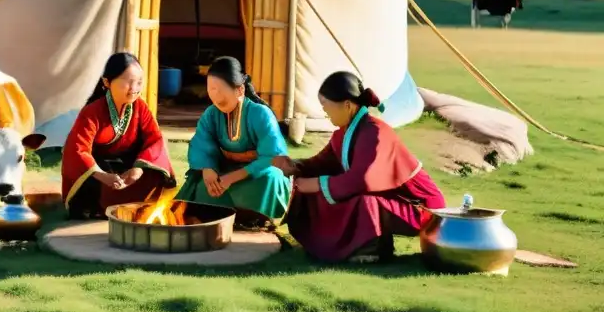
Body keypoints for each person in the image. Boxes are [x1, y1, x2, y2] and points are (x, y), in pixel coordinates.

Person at [273, 70, 447, 263]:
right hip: (388, 201)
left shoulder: (376, 132)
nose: (324, 111)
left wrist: (316, 184)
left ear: (347, 105)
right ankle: (333, 244)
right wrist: (295, 166)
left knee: (362, 202)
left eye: (325, 105)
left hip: (421, 209)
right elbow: (321, 164)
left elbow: (362, 180)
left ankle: (374, 249)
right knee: (316, 191)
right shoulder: (343, 134)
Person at [175, 57, 292, 228]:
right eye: (210, 88)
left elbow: (272, 155)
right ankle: (213, 216)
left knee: (270, 178)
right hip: (225, 170)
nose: (215, 95)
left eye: (220, 89)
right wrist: (208, 169)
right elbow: (201, 143)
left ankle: (254, 218)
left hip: (256, 172)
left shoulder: (260, 114)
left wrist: (234, 177)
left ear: (240, 90)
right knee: (201, 184)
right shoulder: (211, 114)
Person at [61, 52, 177, 219]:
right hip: (99, 171)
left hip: (128, 167)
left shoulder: (140, 107)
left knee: (155, 168)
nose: (135, 89)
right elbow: (78, 150)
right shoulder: (92, 112)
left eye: (139, 82)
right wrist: (103, 176)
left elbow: (155, 139)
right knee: (92, 183)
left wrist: (138, 168)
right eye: (128, 82)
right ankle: (97, 208)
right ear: (107, 82)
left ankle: (142, 204)